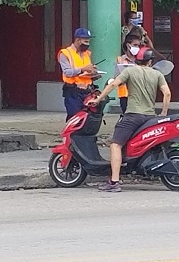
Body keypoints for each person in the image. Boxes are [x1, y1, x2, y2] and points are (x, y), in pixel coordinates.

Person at [89, 47, 171, 192]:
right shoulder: (157, 74)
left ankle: (114, 181)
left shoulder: (130, 71)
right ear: (150, 61)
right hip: (150, 116)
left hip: (133, 115)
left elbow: (113, 84)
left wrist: (98, 99)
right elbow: (167, 93)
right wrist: (163, 112)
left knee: (115, 145)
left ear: (136, 60)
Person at [58, 28, 101, 120]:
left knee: (88, 119)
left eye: (88, 41)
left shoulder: (87, 54)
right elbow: (67, 72)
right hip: (73, 92)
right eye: (85, 41)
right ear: (77, 40)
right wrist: (82, 69)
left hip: (88, 91)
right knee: (75, 118)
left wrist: (94, 74)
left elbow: (87, 72)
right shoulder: (65, 53)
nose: (88, 44)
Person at [115, 32, 143, 113]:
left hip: (139, 94)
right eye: (135, 45)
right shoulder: (120, 60)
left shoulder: (142, 60)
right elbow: (116, 78)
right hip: (125, 95)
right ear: (128, 45)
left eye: (138, 46)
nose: (137, 48)